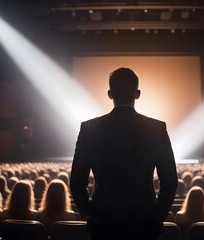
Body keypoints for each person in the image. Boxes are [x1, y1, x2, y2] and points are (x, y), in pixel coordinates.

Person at [70, 67, 178, 240]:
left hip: (103, 224)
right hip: (144, 224)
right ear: (138, 93)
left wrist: (90, 214)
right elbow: (170, 181)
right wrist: (156, 217)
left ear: (110, 94)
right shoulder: (156, 129)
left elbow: (76, 181)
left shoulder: (89, 129)